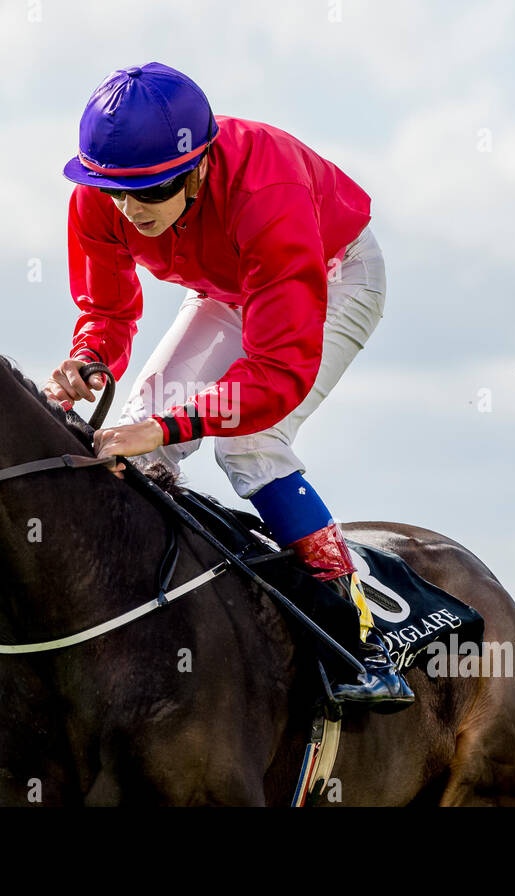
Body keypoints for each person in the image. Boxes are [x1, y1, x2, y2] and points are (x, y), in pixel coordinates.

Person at [41, 62, 412, 710]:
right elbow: (107, 310)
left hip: (330, 268)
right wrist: (90, 358)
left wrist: (173, 424)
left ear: (201, 166)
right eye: (114, 192)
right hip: (230, 283)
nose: (129, 210)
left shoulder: (267, 193)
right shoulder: (102, 197)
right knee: (129, 444)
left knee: (249, 443)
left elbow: (276, 373)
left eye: (148, 191)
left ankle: (360, 638)